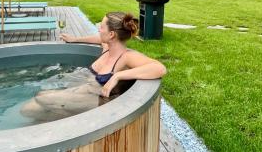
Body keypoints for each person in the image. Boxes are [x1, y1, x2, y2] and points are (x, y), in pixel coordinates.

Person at [20, 12, 166, 122]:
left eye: (101, 27)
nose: (99, 29)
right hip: (83, 90)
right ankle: (59, 119)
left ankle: (69, 121)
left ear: (111, 34)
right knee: (34, 105)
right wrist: (75, 39)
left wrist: (118, 75)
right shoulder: (107, 47)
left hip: (97, 100)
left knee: (40, 101)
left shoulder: (126, 57)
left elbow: (160, 68)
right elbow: (98, 39)